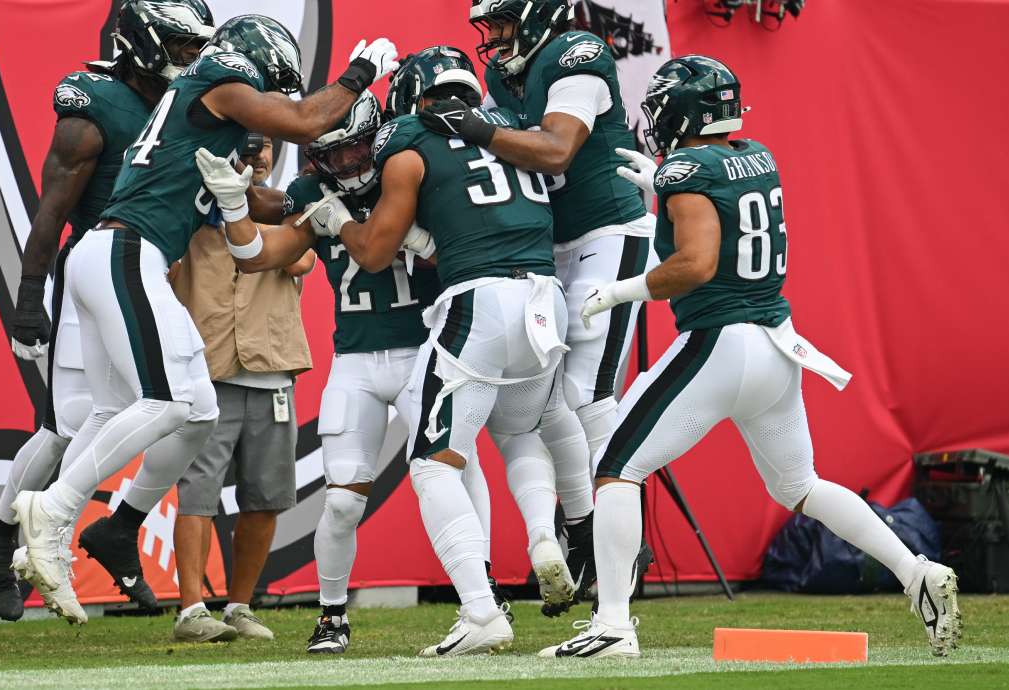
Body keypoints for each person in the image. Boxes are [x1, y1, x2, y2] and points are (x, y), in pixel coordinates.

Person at [541, 55, 962, 659]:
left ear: (685, 109)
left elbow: (698, 263)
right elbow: (720, 204)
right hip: (777, 343)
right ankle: (916, 572)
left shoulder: (686, 168)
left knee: (614, 467)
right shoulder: (756, 155)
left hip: (720, 342)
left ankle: (612, 624)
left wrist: (623, 289)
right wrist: (658, 182)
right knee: (801, 485)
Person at [11, 14, 400, 625]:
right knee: (166, 402)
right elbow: (306, 120)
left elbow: (261, 213)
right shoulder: (217, 74)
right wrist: (361, 74)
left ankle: (109, 529)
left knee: (193, 412)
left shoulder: (204, 132)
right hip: (125, 251)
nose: (267, 103)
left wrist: (323, 204)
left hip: (118, 256)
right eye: (269, 87)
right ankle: (53, 510)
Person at [307, 45, 575, 657]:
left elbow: (373, 252)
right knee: (520, 433)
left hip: (479, 300)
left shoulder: (405, 136)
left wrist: (339, 222)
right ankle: (544, 536)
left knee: (433, 462)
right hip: (544, 297)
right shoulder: (511, 124)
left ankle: (480, 611)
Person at [0, 0, 216, 622]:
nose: (192, 59)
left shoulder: (185, 101)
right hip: (95, 263)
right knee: (70, 425)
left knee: (173, 409)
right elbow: (53, 205)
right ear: (146, 43)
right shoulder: (95, 103)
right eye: (181, 45)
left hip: (144, 268)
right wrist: (29, 296)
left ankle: (109, 526)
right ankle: (2, 535)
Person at [196, 90, 460, 654]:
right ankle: (332, 615)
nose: (342, 166)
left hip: (425, 352)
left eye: (350, 152)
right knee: (341, 500)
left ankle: (481, 597)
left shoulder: (410, 169)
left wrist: (417, 238)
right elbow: (263, 255)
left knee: (452, 476)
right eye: (328, 156)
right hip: (357, 360)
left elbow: (466, 250)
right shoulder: (313, 192)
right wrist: (234, 207)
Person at [421, 0, 661, 613]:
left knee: (587, 395)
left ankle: (619, 531)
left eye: (501, 24)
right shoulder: (506, 74)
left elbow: (554, 150)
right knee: (549, 399)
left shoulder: (576, 53)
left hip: (609, 233)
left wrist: (475, 127)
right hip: (551, 247)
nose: (493, 39)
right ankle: (583, 528)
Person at [166, 133, 316, 643]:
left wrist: (241, 205)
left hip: (272, 370)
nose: (255, 159)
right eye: (245, 150)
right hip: (207, 372)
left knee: (265, 497)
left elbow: (298, 261)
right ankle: (191, 610)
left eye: (263, 151)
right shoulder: (186, 208)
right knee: (197, 493)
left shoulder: (291, 207)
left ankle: (239, 606)